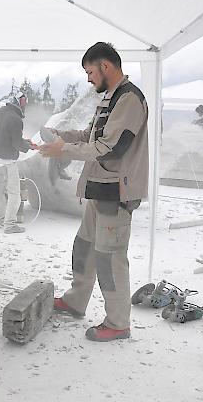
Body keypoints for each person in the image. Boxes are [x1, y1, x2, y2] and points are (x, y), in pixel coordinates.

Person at [39, 42, 148, 342]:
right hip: (99, 189)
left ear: (106, 67)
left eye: (90, 72)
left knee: (109, 259)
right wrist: (60, 136)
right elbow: (90, 136)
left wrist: (64, 150)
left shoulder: (129, 100)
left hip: (116, 192)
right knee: (84, 248)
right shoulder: (109, 99)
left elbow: (111, 147)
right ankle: (76, 301)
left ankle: (117, 322)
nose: (88, 79)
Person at [0, 91, 37, 234]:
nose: (25, 106)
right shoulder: (16, 119)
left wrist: (24, 141)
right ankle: (10, 225)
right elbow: (16, 143)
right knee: (14, 194)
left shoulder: (2, 112)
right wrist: (28, 146)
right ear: (18, 102)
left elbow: (7, 135)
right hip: (7, 161)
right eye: (23, 102)